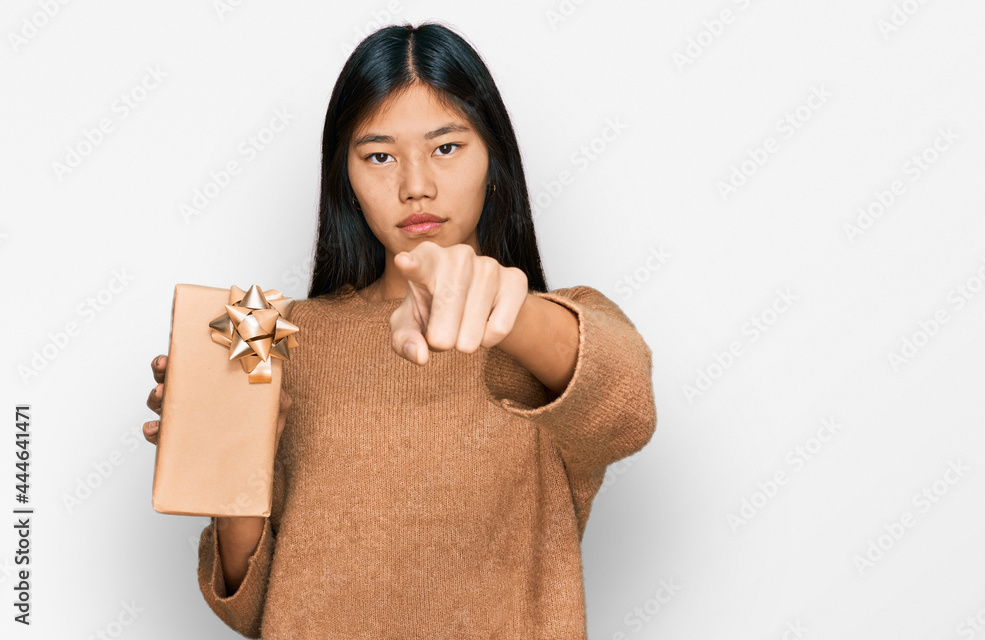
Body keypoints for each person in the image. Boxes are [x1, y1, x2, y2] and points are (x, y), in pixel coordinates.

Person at [144, 21, 657, 639]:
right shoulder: (275, 334)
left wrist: (502, 307)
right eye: (380, 156)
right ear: (346, 178)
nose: (416, 186)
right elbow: (256, 613)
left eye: (447, 147)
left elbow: (628, 405)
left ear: (494, 160)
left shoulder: (550, 328)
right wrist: (223, 471)